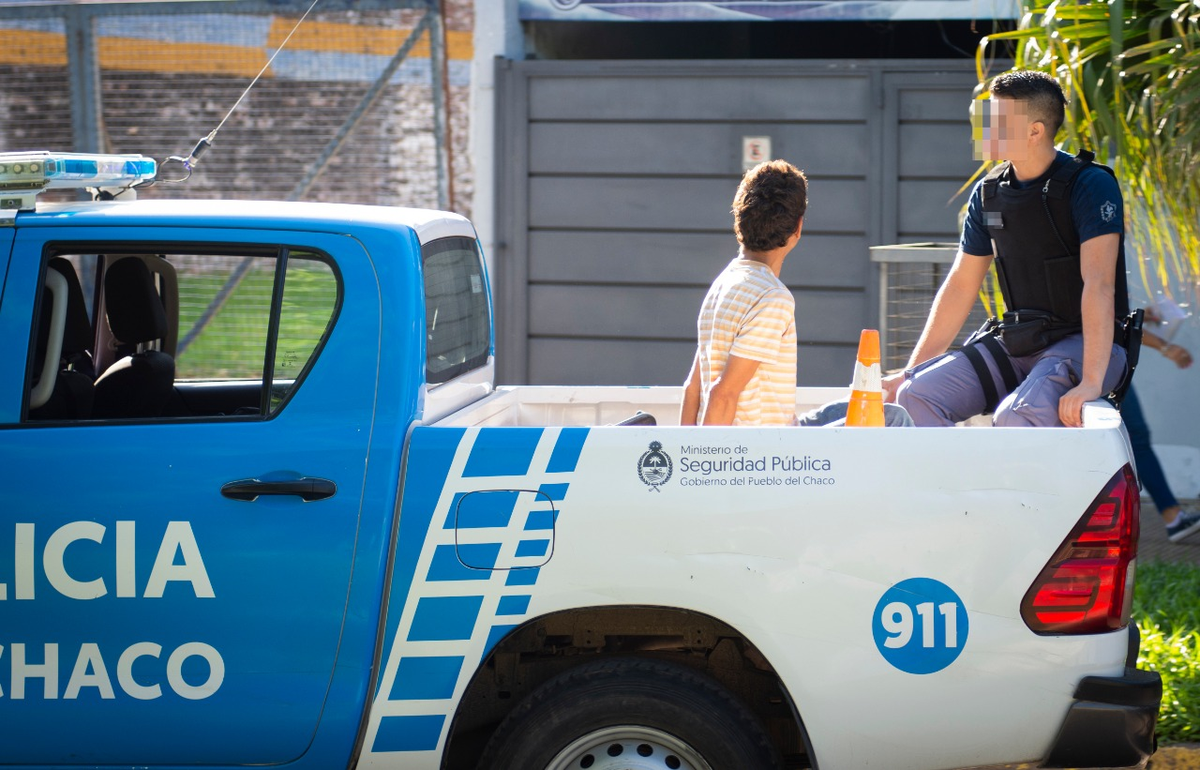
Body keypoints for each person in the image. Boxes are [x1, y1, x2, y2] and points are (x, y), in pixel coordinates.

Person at [882, 70, 1129, 428]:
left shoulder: (1091, 184)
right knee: (915, 397)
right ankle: (953, 485)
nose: (984, 130)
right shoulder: (989, 192)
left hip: (1085, 346)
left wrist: (1091, 382)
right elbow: (961, 286)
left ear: (1035, 131)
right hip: (1019, 341)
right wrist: (910, 372)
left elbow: (1100, 284)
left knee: (1017, 415)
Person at [680, 159, 909, 427]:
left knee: (877, 408)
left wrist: (686, 453)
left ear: (739, 221)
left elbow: (693, 387)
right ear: (798, 227)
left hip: (782, 430)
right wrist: (704, 464)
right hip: (768, 457)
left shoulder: (721, 285)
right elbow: (722, 394)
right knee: (893, 419)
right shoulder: (771, 298)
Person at [1123, 310, 1200, 542]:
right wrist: (1165, 348)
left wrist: (1139, 316)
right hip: (1102, 367)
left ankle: (1173, 517)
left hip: (1103, 365)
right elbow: (1110, 322)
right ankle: (1172, 517)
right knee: (1136, 440)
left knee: (1134, 440)